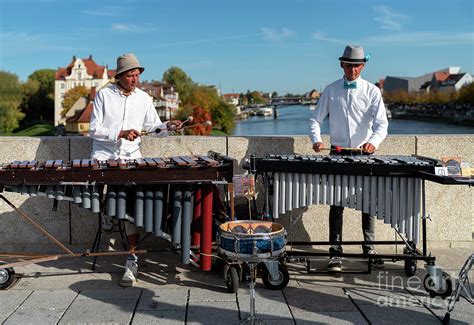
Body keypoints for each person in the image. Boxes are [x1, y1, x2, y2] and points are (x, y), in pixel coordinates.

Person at [89, 53, 182, 286]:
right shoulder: (103, 95)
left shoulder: (143, 98)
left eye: (137, 75)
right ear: (119, 76)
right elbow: (94, 129)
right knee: (105, 194)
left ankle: (132, 260)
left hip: (132, 158)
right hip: (105, 158)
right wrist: (119, 133)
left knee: (131, 208)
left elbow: (154, 127)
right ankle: (106, 211)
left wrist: (168, 126)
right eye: (130, 75)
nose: (135, 79)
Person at [309, 45, 389, 272]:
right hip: (337, 154)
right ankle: (335, 253)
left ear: (363, 66)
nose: (353, 69)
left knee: (368, 203)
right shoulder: (330, 90)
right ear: (341, 64)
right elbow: (315, 120)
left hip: (364, 154)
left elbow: (382, 124)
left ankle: (370, 248)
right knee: (337, 205)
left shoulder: (373, 91)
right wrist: (316, 139)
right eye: (349, 65)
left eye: (357, 65)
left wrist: (374, 141)